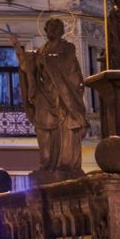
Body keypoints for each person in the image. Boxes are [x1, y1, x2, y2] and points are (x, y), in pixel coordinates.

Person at [23, 18, 90, 181]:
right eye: (50, 27)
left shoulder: (68, 48)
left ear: (61, 30)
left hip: (64, 97)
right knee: (44, 132)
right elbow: (31, 70)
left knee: (66, 132)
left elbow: (68, 66)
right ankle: (47, 164)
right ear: (45, 30)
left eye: (56, 27)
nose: (52, 30)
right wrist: (24, 58)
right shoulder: (40, 51)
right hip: (45, 98)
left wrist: (47, 60)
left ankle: (66, 165)